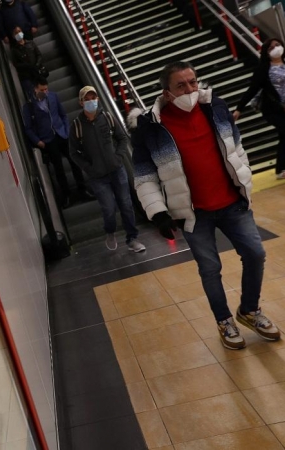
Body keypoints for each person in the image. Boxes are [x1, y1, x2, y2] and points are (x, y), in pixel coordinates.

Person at [132, 61, 280, 350]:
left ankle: (249, 311)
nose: (190, 89)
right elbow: (144, 176)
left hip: (232, 204)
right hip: (193, 214)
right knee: (210, 268)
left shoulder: (216, 108)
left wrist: (245, 178)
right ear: (167, 92)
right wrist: (158, 213)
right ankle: (224, 320)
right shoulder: (150, 128)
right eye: (181, 85)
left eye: (193, 81)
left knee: (255, 254)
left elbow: (236, 148)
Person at [70, 86, 145, 252]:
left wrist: (118, 157)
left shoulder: (108, 117)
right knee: (109, 208)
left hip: (117, 170)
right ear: (81, 102)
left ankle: (132, 238)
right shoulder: (77, 126)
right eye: (87, 99)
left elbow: (122, 138)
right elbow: (73, 153)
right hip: (97, 177)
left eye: (93, 97)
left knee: (126, 204)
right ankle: (110, 232)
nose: (91, 101)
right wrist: (88, 168)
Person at [22, 78, 87, 207]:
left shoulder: (53, 97)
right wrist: (38, 141)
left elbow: (62, 114)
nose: (45, 92)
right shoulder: (29, 106)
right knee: (59, 169)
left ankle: (83, 189)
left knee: (74, 162)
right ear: (35, 89)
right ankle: (66, 195)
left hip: (62, 134)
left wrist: (66, 130)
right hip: (48, 140)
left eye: (46, 89)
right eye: (42, 90)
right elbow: (28, 128)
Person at [233, 37, 285, 180]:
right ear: (266, 53)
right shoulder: (264, 69)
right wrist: (239, 109)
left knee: (284, 137)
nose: (276, 48)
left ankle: (280, 169)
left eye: (278, 45)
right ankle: (281, 169)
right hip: (273, 109)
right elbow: (252, 89)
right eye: (271, 47)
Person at [8, 27, 45, 98]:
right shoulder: (14, 50)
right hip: (26, 76)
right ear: (13, 36)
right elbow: (16, 64)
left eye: (19, 31)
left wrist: (36, 65)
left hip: (37, 72)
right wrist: (27, 66)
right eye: (16, 33)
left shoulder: (31, 43)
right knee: (33, 94)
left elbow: (39, 54)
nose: (18, 34)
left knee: (42, 92)